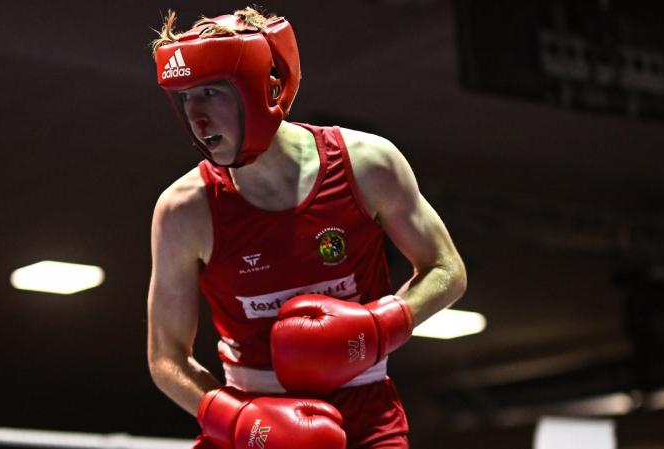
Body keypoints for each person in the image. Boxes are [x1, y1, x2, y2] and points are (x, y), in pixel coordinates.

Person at [147, 7, 467, 449]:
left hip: (366, 419)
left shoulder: (366, 164)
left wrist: (378, 327)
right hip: (251, 425)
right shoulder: (185, 209)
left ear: (267, 86)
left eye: (211, 92)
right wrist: (239, 422)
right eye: (185, 97)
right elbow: (165, 358)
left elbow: (446, 270)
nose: (196, 116)